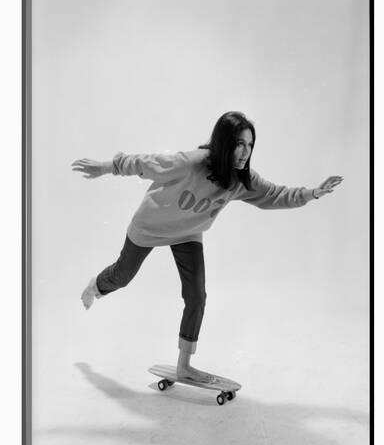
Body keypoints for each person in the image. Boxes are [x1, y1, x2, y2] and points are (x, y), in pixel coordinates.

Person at [72, 111, 343, 384]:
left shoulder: (240, 180)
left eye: (250, 145)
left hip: (188, 234)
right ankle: (95, 285)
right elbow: (145, 163)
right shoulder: (192, 163)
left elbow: (274, 194)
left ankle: (184, 366)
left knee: (197, 296)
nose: (245, 152)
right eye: (239, 143)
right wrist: (106, 166)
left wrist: (312, 193)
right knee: (122, 275)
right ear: (224, 142)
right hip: (150, 226)